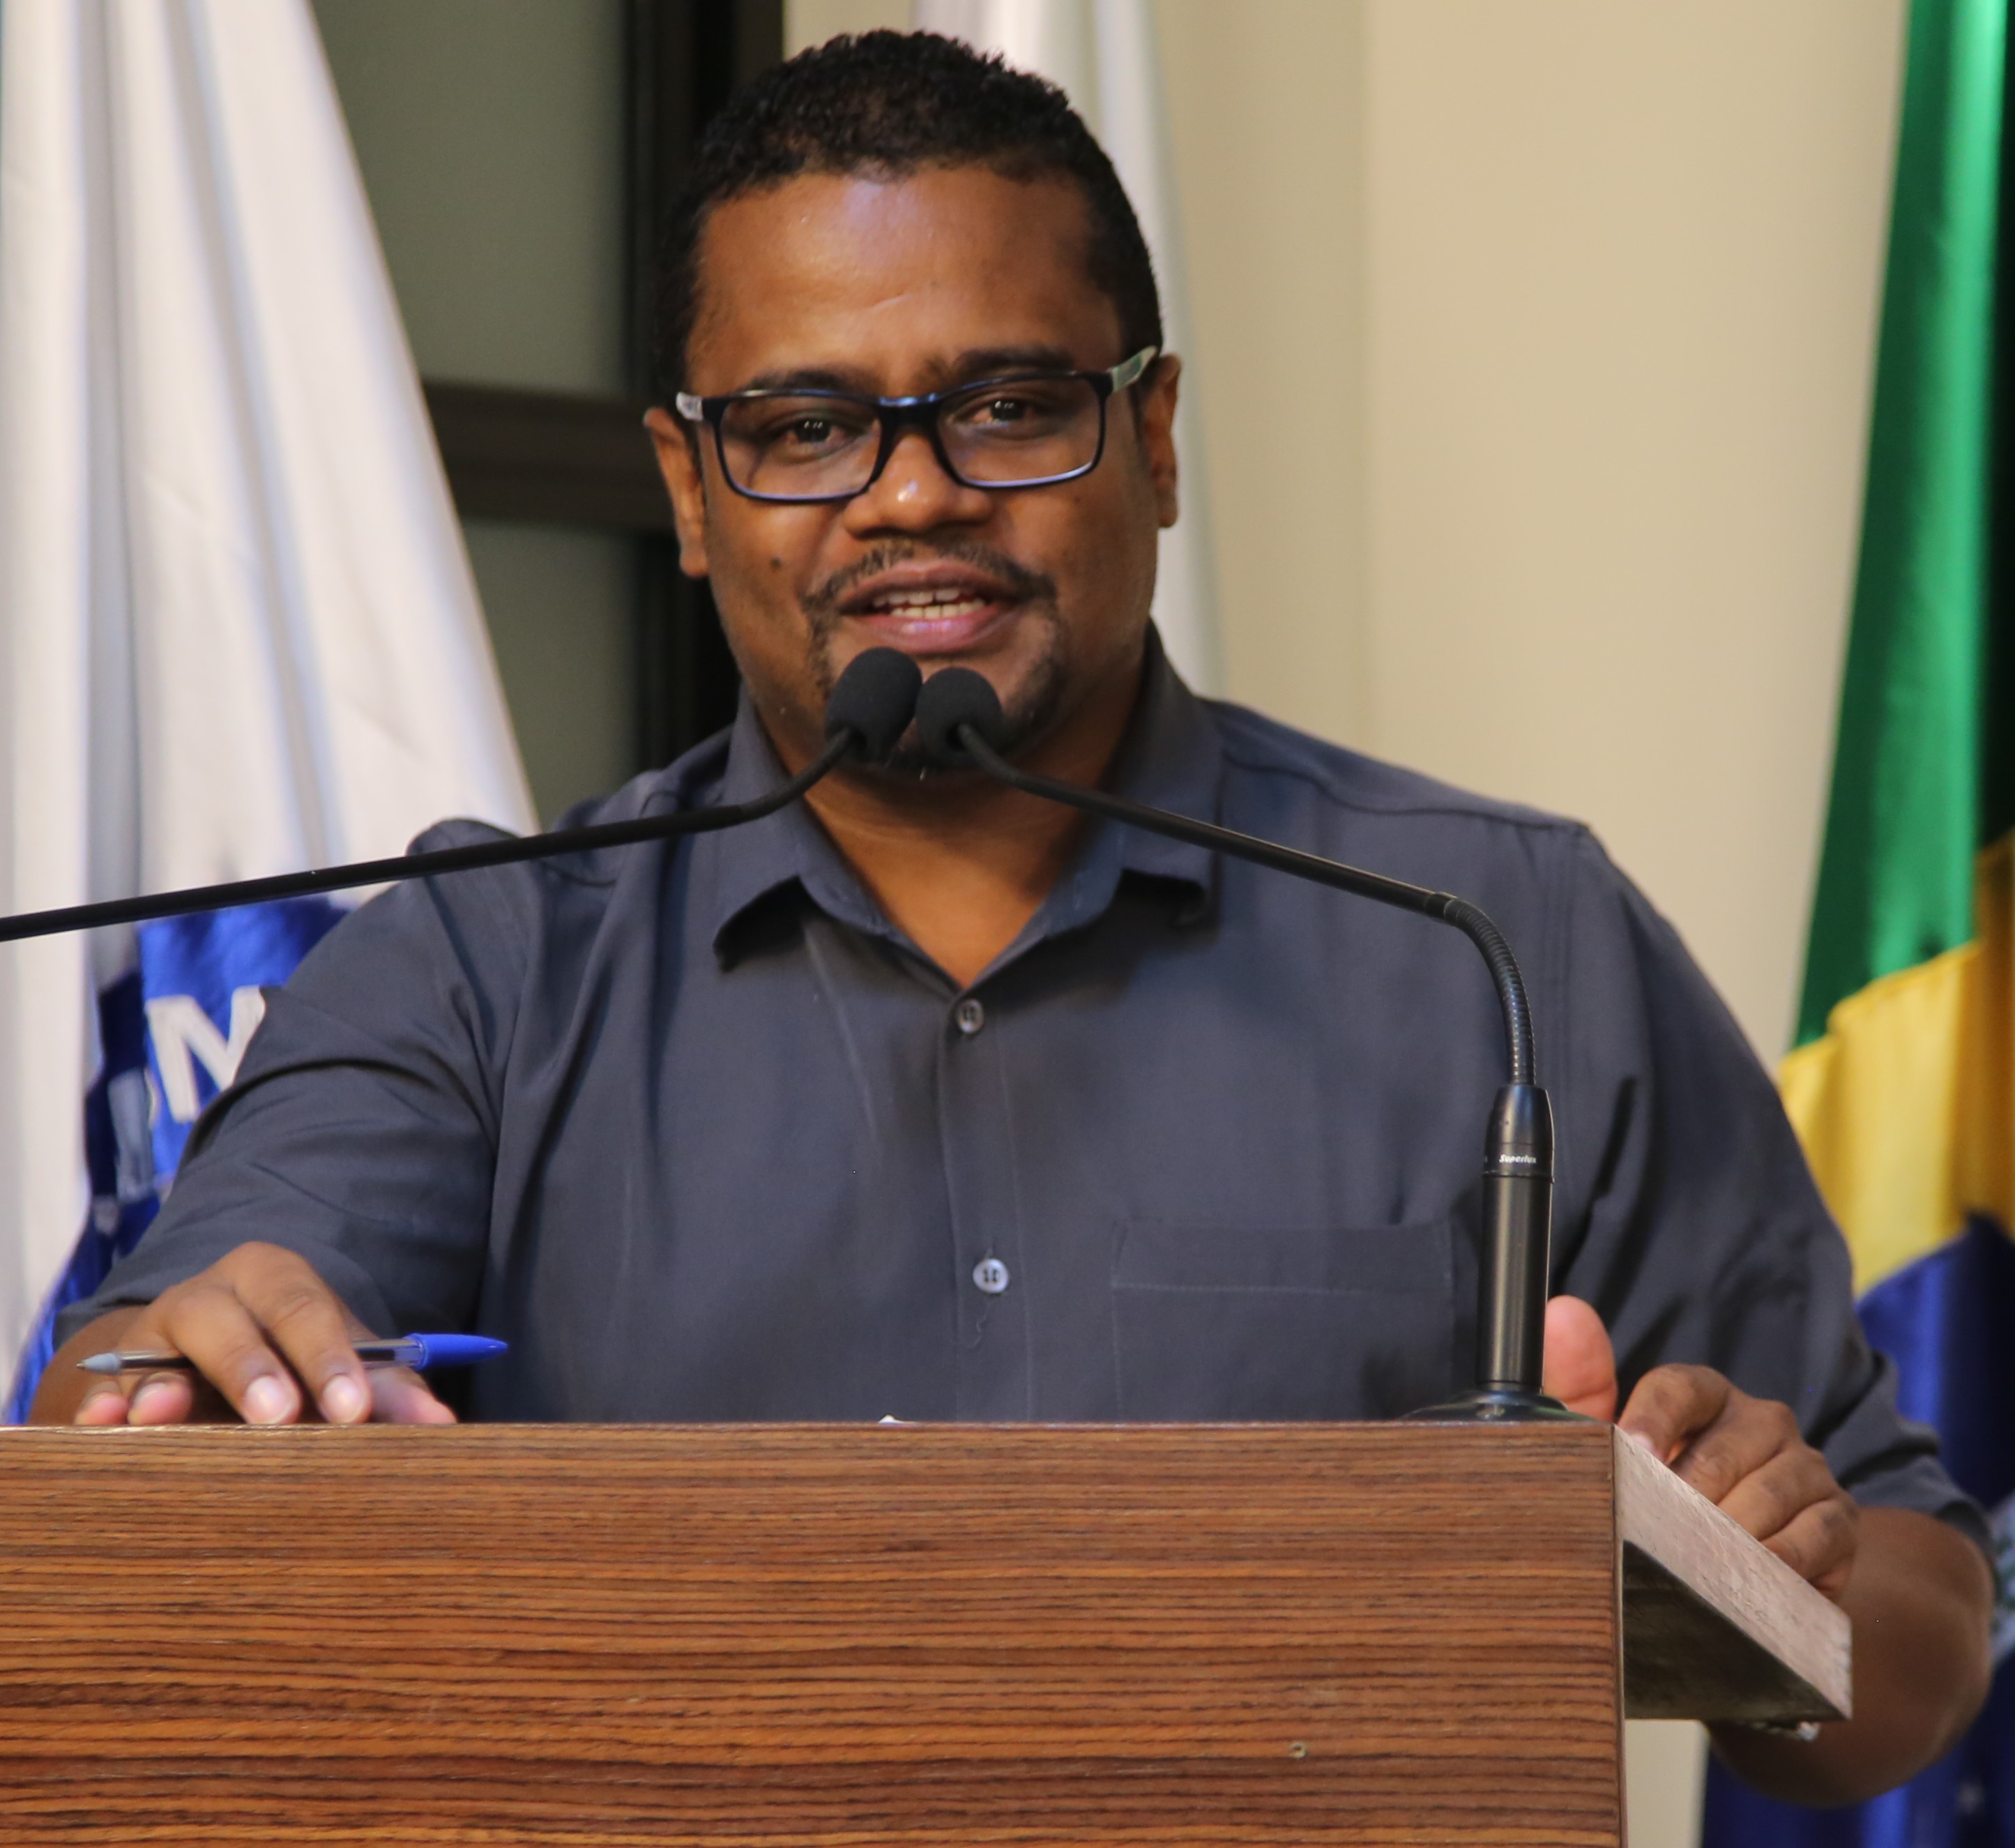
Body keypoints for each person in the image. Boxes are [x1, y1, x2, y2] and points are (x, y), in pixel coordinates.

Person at [31, 30, 1990, 1805]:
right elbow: (122, 1429)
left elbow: (1915, 1631)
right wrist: (177, 1395)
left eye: (1008, 404)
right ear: (691, 491)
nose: (911, 498)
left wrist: (1749, 1554)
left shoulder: (1499, 938)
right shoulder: (479, 965)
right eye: (802, 426)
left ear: (1154, 435)